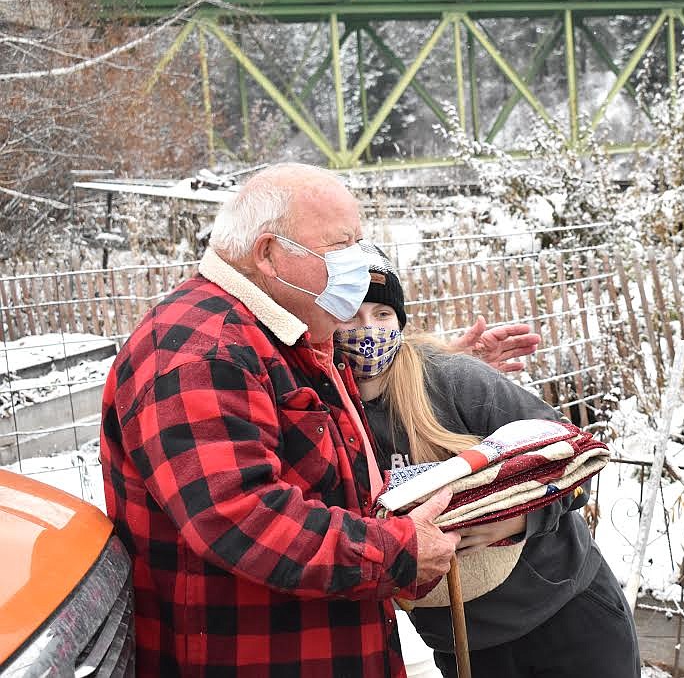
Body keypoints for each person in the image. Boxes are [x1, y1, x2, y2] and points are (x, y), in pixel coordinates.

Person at [99, 162, 537, 677]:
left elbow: (332, 475)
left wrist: (439, 363)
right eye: (341, 246)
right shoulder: (203, 353)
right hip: (258, 656)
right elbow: (241, 517)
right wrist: (396, 552)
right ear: (268, 255)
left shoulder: (286, 335)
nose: (359, 261)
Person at [335, 242, 642, 678]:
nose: (368, 330)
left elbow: (573, 460)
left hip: (565, 614)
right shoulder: (325, 413)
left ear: (399, 321)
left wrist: (518, 521)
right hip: (464, 642)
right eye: (351, 314)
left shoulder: (453, 379)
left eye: (382, 315)